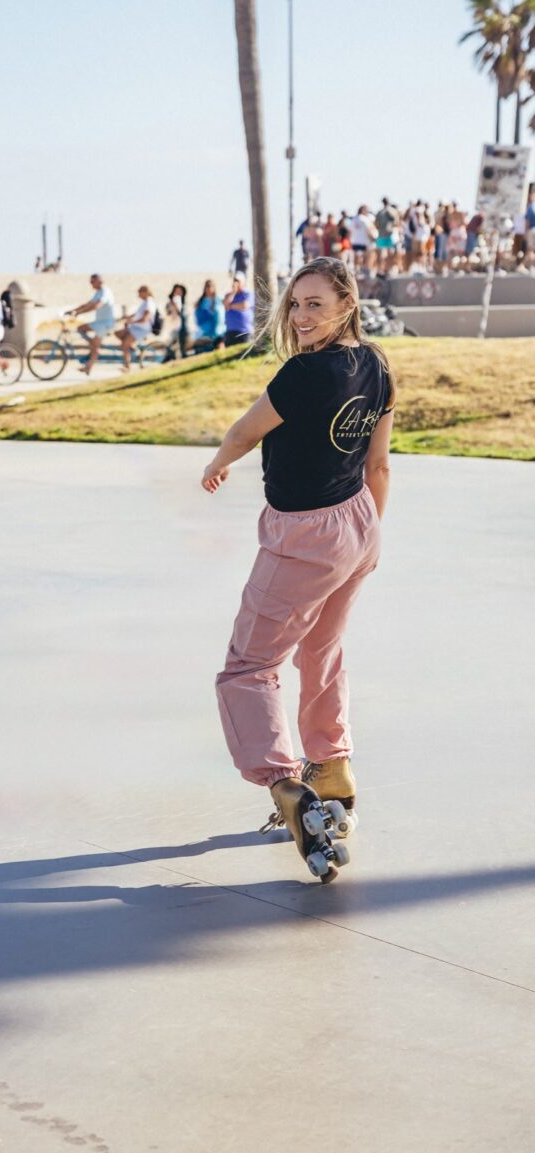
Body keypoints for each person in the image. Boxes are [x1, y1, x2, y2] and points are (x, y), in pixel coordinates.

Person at [202, 256, 395, 883]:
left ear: (346, 305)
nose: (301, 315)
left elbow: (244, 431)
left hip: (307, 535)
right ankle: (332, 768)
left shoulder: (303, 374)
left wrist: (217, 463)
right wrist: (367, 536)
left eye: (315, 303)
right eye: (295, 304)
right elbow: (379, 468)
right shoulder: (378, 366)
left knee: (248, 667)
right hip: (359, 524)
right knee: (322, 647)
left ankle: (287, 789)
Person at [67, 273, 116, 376]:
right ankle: (92, 350)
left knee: (94, 345)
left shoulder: (105, 292)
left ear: (98, 281)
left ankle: (89, 363)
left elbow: (96, 305)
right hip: (99, 323)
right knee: (81, 328)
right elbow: (88, 304)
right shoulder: (98, 292)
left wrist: (80, 312)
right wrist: (72, 310)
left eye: (92, 282)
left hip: (105, 323)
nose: (91, 284)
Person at [116, 285, 156, 371]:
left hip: (141, 329)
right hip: (136, 327)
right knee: (118, 333)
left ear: (145, 292)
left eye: (139, 292)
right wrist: (127, 318)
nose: (138, 295)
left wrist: (132, 321)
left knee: (124, 345)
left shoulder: (149, 303)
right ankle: (133, 348)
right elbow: (137, 314)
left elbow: (145, 318)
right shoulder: (144, 302)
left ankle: (127, 366)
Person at [223, 272, 254, 347]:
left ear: (243, 282)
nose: (236, 283)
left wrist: (231, 306)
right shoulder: (229, 295)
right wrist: (233, 292)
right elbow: (225, 304)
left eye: (238, 281)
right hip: (230, 331)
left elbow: (244, 305)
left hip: (244, 331)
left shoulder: (247, 293)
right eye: (235, 281)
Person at [194, 280, 226, 348]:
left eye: (211, 286)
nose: (209, 288)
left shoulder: (219, 298)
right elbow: (197, 314)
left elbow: (223, 311)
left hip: (219, 330)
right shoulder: (201, 301)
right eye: (207, 287)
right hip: (205, 331)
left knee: (220, 348)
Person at [164, 283, 189, 360]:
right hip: (171, 326)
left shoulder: (183, 303)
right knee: (170, 343)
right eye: (176, 291)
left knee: (178, 343)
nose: (178, 293)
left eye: (179, 291)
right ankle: (170, 357)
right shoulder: (170, 302)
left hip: (181, 327)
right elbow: (168, 313)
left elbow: (181, 314)